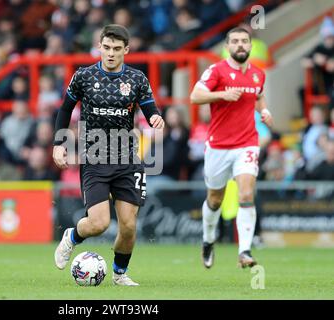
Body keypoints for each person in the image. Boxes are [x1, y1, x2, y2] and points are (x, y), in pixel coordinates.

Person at [52, 24, 164, 286]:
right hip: (95, 158)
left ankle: (119, 274)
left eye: (116, 49)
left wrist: (156, 118)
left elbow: (150, 108)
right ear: (99, 47)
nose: (110, 53)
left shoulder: (137, 79)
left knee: (128, 225)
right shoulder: (83, 76)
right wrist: (59, 143)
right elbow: (64, 110)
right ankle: (72, 237)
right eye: (106, 47)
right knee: (99, 223)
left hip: (127, 159)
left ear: (126, 49)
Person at [190, 27, 273, 269]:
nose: (240, 45)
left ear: (249, 45)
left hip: (247, 142)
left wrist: (265, 110)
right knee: (215, 200)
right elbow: (195, 96)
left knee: (246, 193)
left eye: (244, 41)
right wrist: (222, 95)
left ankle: (244, 251)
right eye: (235, 41)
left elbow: (258, 96)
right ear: (227, 46)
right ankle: (208, 240)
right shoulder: (216, 70)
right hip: (218, 145)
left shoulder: (258, 74)